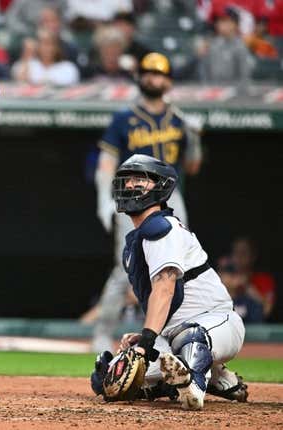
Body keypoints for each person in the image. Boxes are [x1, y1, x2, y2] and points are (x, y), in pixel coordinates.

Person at [90, 155, 247, 410]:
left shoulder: (162, 228)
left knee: (190, 337)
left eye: (140, 179)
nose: (130, 185)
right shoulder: (135, 242)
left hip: (216, 322)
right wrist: (146, 337)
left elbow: (165, 289)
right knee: (110, 379)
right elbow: (165, 304)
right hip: (171, 335)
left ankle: (195, 385)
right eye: (127, 180)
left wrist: (145, 344)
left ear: (161, 187)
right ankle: (217, 378)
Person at [91, 53, 203, 353]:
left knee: (176, 268)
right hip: (132, 198)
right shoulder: (124, 117)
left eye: (159, 73)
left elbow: (192, 166)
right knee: (124, 267)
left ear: (167, 81)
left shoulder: (178, 120)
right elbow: (106, 162)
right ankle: (103, 333)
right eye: (148, 73)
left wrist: (194, 138)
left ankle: (173, 335)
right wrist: (105, 197)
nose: (153, 78)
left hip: (169, 199)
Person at [197, 7, 253, 91]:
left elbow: (244, 77)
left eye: (225, 21)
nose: (220, 24)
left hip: (233, 94)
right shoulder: (211, 44)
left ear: (234, 24)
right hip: (212, 92)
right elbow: (204, 73)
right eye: (219, 22)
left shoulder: (241, 46)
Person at [11, 29, 80, 86]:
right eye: (43, 43)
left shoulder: (68, 68)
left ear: (57, 47)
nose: (47, 48)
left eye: (50, 44)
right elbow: (20, 83)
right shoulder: (24, 64)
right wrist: (28, 55)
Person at [229, 237, 276, 318]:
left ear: (253, 256)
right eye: (236, 252)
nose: (239, 257)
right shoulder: (223, 279)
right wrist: (231, 289)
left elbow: (267, 310)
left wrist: (248, 288)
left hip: (255, 329)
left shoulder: (263, 280)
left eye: (243, 252)